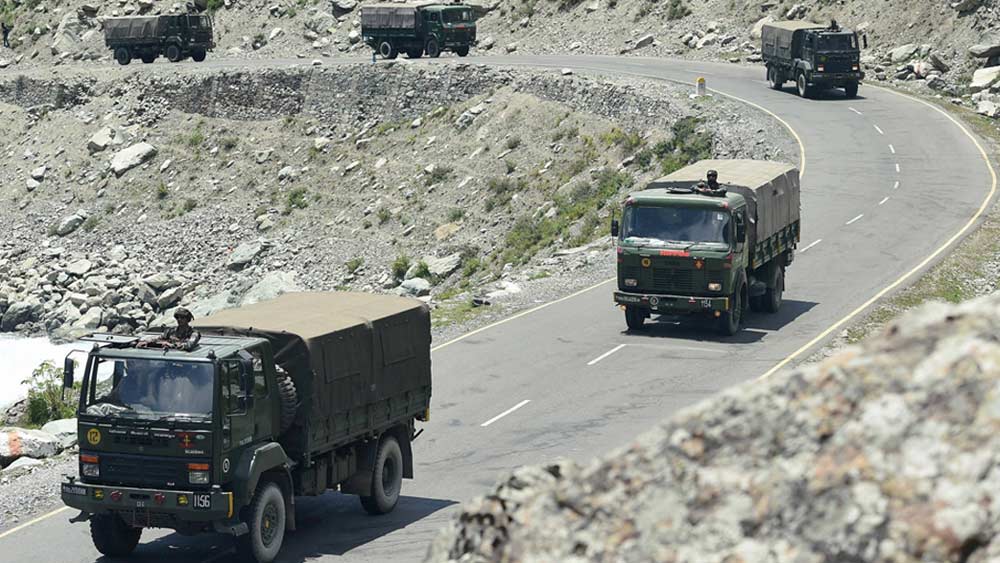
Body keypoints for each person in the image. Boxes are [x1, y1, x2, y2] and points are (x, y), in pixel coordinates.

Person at [137, 307, 202, 351]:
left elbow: (189, 346)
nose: (179, 319)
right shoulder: (170, 331)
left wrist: (171, 345)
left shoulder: (194, 333)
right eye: (177, 317)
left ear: (187, 319)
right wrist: (147, 342)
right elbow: (158, 338)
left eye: (182, 317)